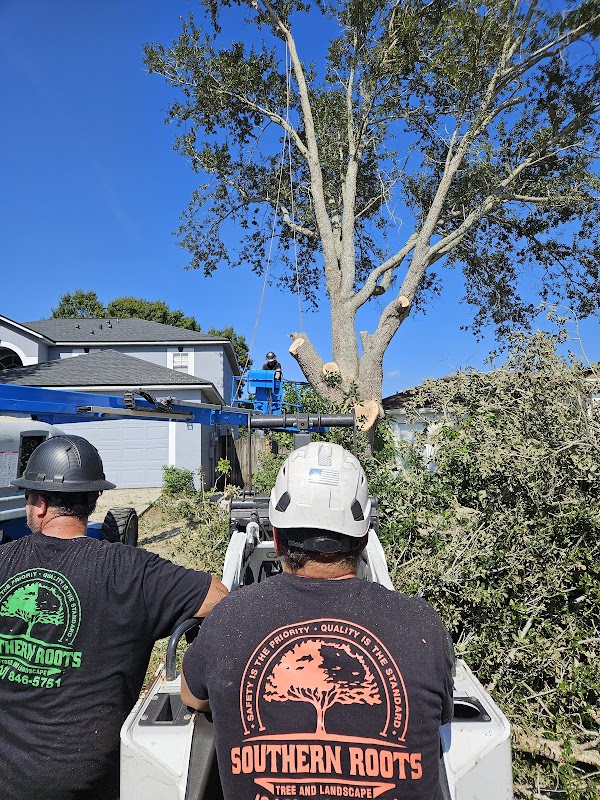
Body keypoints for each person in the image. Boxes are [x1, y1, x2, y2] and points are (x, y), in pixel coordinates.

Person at [181, 441, 453, 800]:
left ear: (276, 538)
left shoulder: (228, 618)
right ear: (365, 538)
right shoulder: (421, 625)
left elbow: (192, 696)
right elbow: (441, 717)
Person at [0, 434, 227, 800]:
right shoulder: (130, 570)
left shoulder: (4, 561)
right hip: (87, 779)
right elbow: (220, 598)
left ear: (39, 504)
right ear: (92, 500)